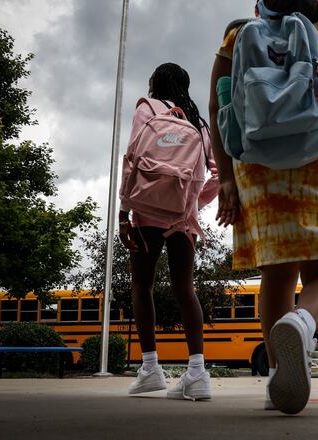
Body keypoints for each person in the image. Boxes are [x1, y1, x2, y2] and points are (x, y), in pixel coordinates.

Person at [209, 0, 318, 414]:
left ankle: (275, 379)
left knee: (277, 274)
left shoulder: (238, 36)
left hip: (259, 166)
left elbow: (219, 108)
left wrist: (226, 179)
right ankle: (303, 323)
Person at [119, 63, 219, 400]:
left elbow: (132, 158)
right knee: (184, 288)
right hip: (183, 220)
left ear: (154, 83)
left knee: (142, 286)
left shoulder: (147, 108)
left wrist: (124, 213)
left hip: (146, 215)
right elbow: (218, 175)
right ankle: (197, 372)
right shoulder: (200, 125)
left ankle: (150, 369)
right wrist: (190, 205)